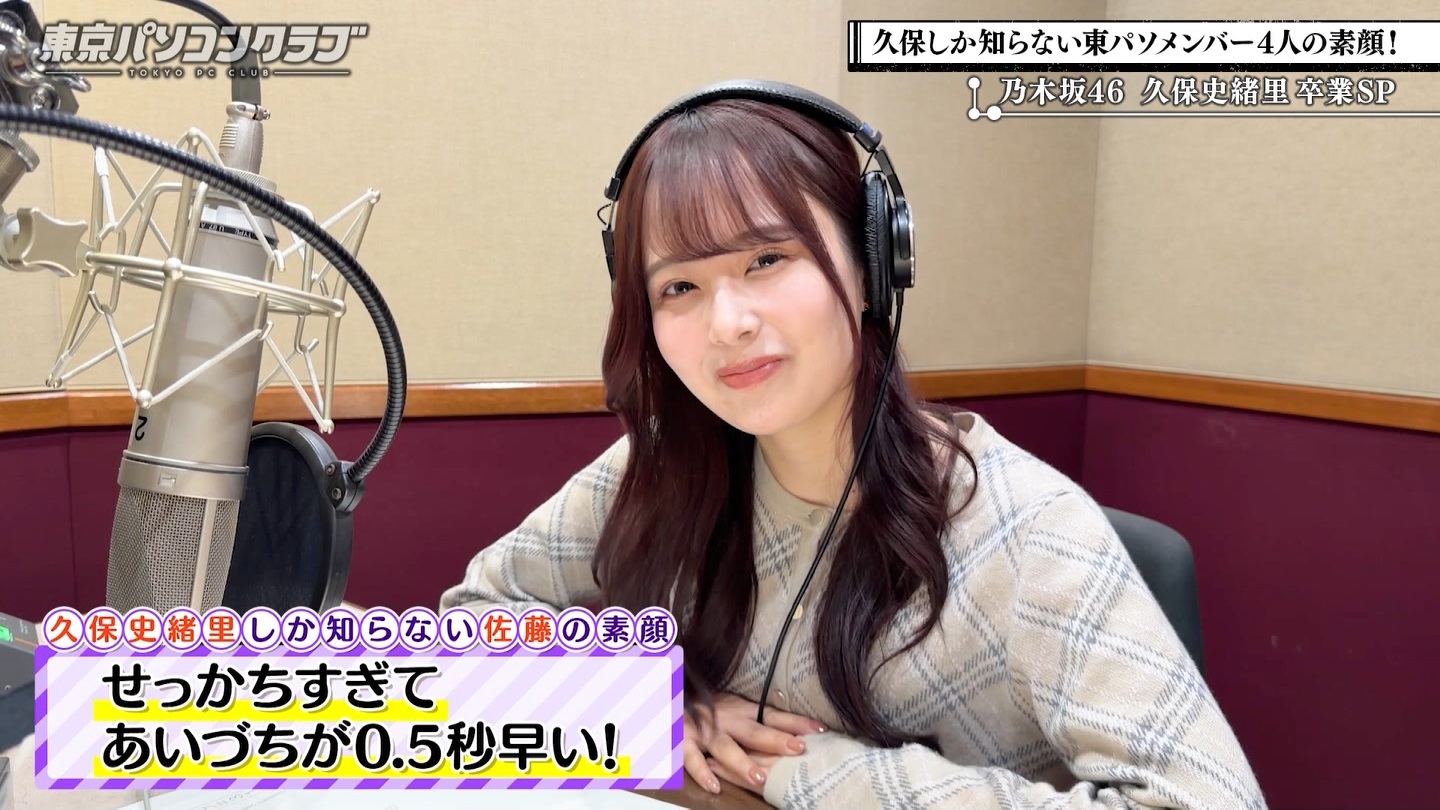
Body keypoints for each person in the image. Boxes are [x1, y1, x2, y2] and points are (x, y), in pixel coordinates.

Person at [440, 81, 1266, 809]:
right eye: (679, 285)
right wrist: (645, 706)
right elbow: (468, 628)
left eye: (767, 258)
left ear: (874, 262)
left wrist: (810, 770)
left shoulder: (1029, 532)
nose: (728, 323)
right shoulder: (660, 469)